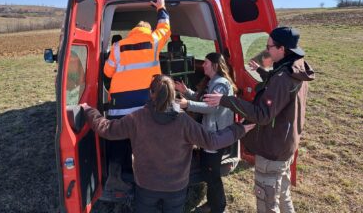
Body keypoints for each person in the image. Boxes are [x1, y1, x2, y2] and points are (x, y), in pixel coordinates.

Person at [81, 75, 255, 213]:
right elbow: (212, 141)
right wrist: (239, 129)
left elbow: (107, 129)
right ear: (174, 94)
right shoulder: (184, 122)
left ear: (150, 94)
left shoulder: (137, 118)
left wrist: (90, 111)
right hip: (176, 187)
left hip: (146, 185)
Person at [204, 27, 315, 213]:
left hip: (272, 150)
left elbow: (262, 115)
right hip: (286, 145)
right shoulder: (295, 68)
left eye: (269, 46)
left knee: (267, 204)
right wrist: (263, 73)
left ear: (282, 49)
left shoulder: (283, 77)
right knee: (282, 196)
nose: (267, 50)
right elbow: (278, 91)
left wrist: (225, 100)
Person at [103, 0, 171, 192]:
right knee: (147, 140)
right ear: (148, 30)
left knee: (118, 139)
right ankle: (151, 177)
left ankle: (115, 177)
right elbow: (165, 28)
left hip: (120, 106)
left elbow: (107, 72)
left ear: (132, 31)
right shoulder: (154, 40)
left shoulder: (118, 47)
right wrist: (161, 8)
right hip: (146, 105)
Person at [175, 52, 237, 213]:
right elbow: (202, 99)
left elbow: (211, 107)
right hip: (209, 134)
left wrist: (186, 104)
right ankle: (212, 203)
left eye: (207, 63)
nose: (203, 65)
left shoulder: (221, 84)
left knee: (212, 174)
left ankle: (218, 206)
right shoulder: (213, 81)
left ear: (215, 65)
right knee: (208, 171)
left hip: (216, 136)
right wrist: (186, 91)